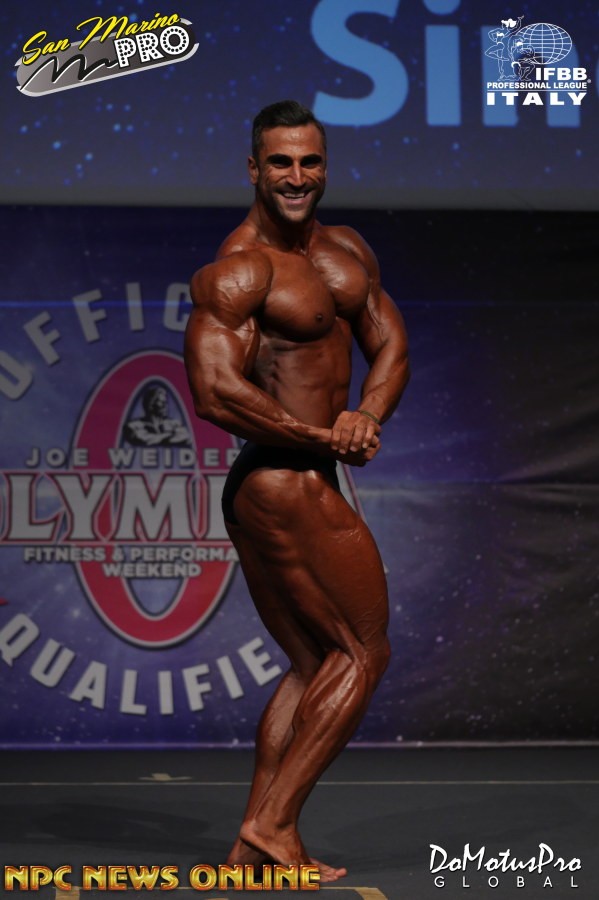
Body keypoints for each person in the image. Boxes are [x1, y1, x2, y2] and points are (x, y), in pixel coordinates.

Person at [184, 100, 409, 883]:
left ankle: (252, 848)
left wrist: (365, 416)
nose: (296, 176)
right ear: (254, 168)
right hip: (281, 478)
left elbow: (391, 344)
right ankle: (275, 822)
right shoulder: (240, 267)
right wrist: (321, 439)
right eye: (280, 162)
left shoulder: (347, 251)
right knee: (363, 651)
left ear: (325, 167)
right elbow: (214, 392)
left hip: (308, 471)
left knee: (316, 662)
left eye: (309, 161)